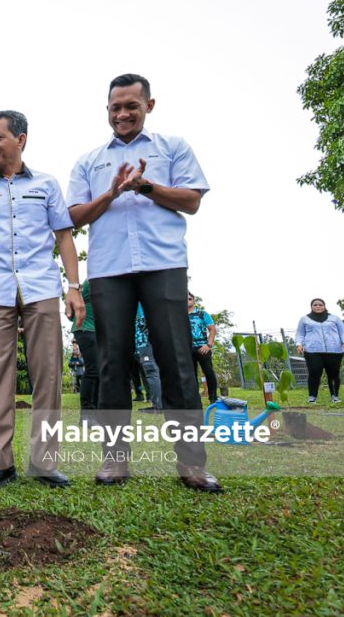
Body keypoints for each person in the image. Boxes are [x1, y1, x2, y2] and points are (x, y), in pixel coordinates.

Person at [67, 73, 222, 493]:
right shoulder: (90, 161)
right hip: (109, 269)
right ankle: (115, 461)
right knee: (112, 362)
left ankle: (191, 465)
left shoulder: (173, 147)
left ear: (148, 106)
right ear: (107, 111)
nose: (123, 114)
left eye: (131, 106)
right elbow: (74, 217)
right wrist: (113, 192)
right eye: (116, 107)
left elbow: (191, 200)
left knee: (175, 360)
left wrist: (146, 186)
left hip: (163, 264)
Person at [0, 110, 85, 489]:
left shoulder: (46, 185)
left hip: (42, 288)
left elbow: (64, 238)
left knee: (47, 375)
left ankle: (45, 462)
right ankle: (0, 462)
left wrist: (73, 287)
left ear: (21, 139)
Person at [295, 298, 344, 404]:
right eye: (315, 305)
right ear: (311, 307)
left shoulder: (334, 318)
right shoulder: (305, 319)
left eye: (320, 305)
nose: (318, 306)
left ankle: (335, 396)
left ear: (324, 306)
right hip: (312, 351)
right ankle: (312, 397)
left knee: (333, 374)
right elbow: (300, 334)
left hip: (334, 351)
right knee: (314, 374)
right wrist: (299, 344)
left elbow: (343, 331)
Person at [71, 280, 100, 421]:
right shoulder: (91, 281)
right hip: (85, 329)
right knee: (93, 370)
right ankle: (87, 415)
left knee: (99, 371)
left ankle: (96, 411)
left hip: (93, 330)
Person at [187, 293, 218, 403]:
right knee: (191, 374)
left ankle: (213, 398)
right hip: (187, 349)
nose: (187, 300)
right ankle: (194, 400)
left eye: (190, 298)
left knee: (208, 372)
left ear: (194, 301)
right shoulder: (179, 316)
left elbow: (213, 330)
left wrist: (208, 345)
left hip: (202, 348)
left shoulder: (202, 314)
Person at [134, 303, 163, 410]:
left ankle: (158, 406)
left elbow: (144, 322)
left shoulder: (140, 304)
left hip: (145, 343)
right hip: (143, 345)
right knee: (153, 373)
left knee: (151, 372)